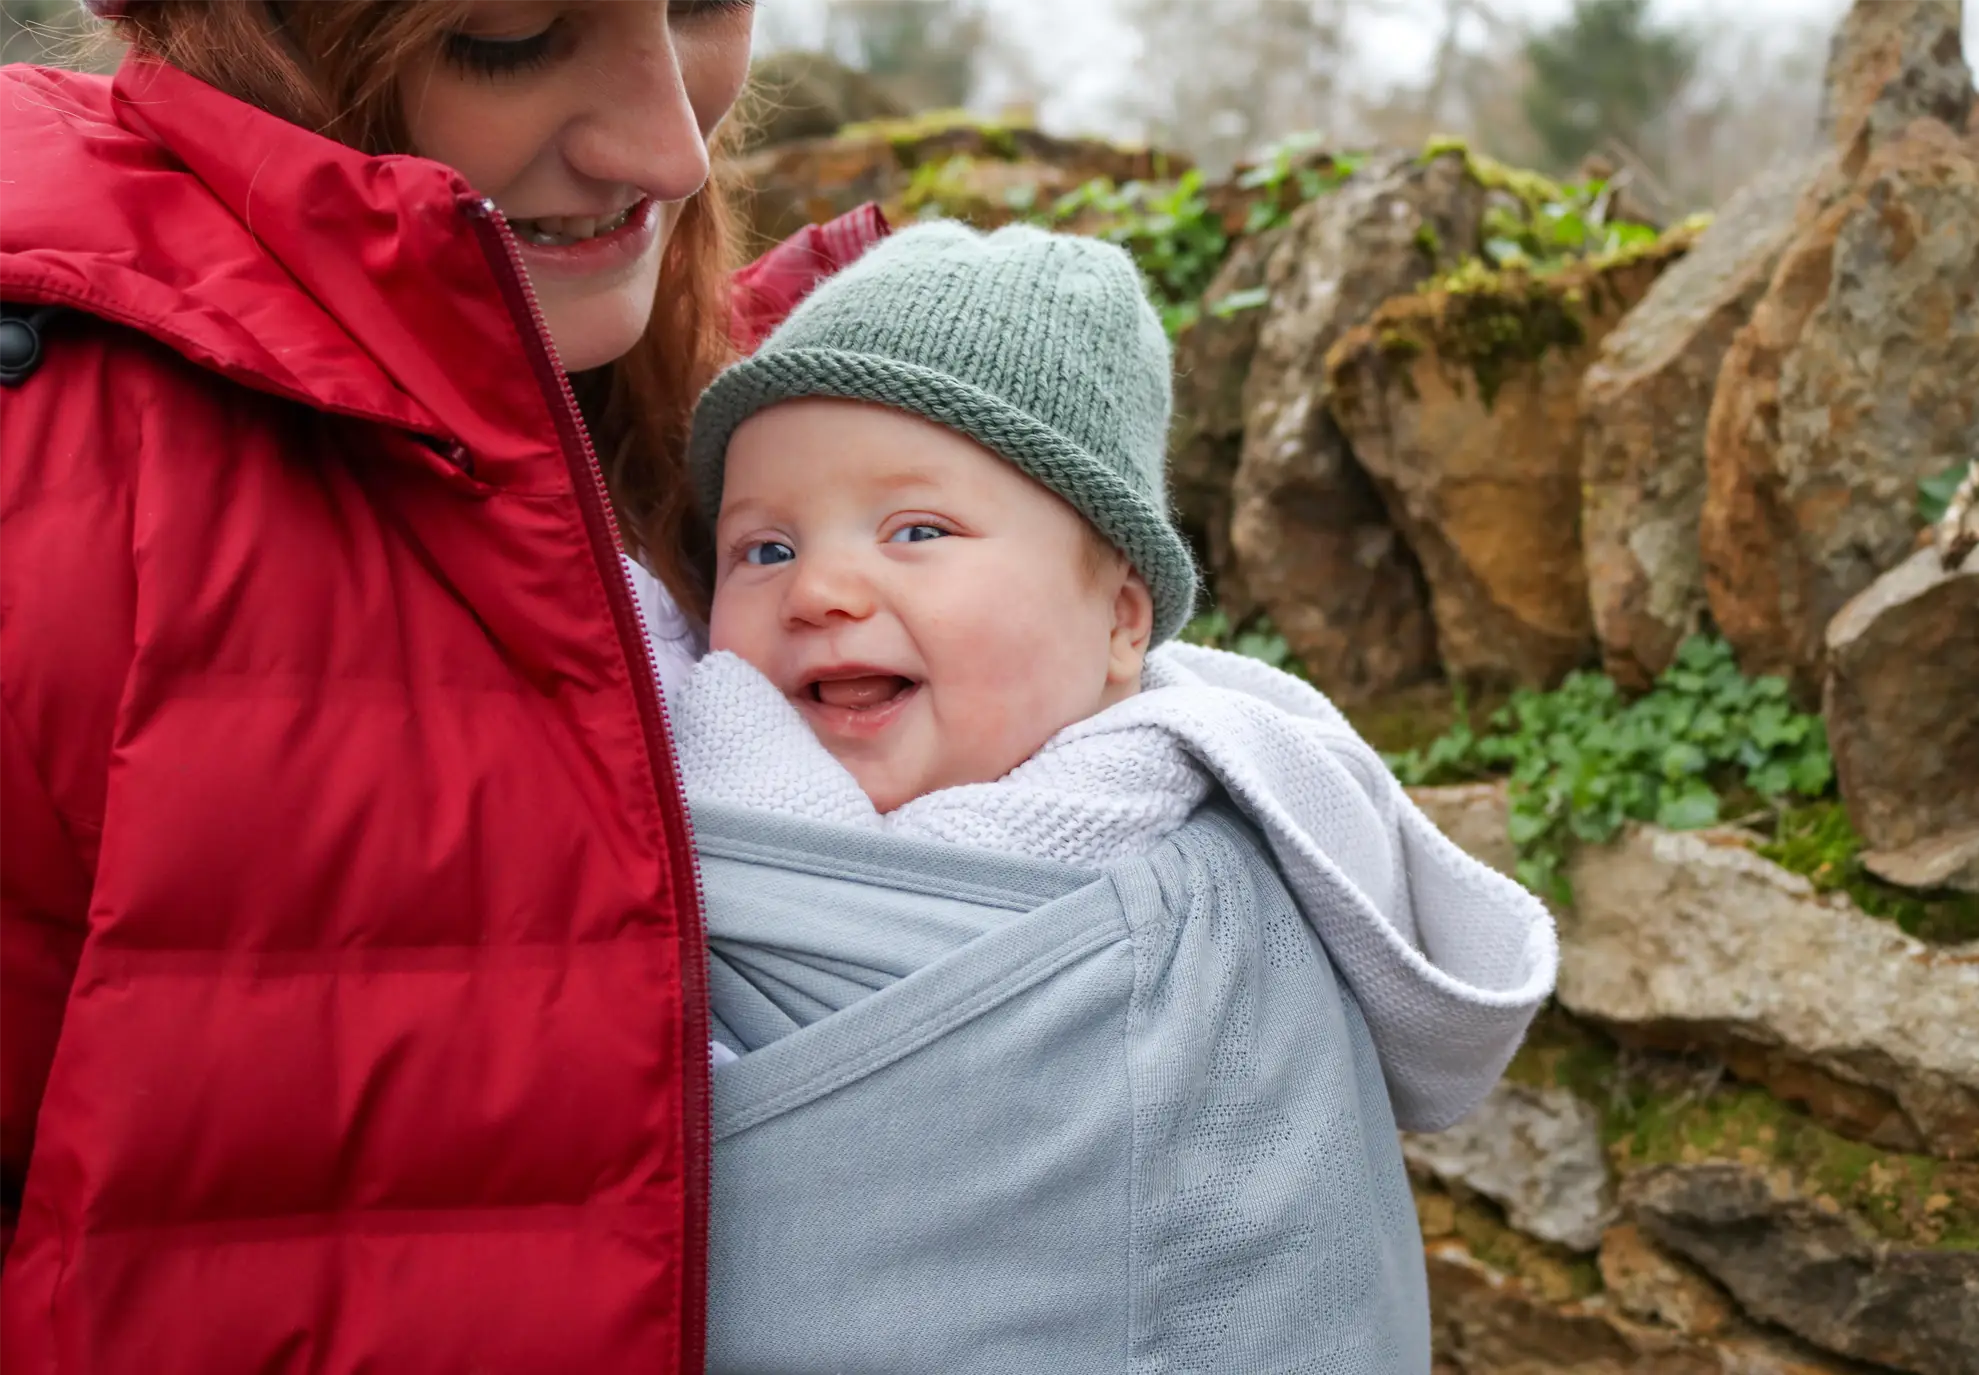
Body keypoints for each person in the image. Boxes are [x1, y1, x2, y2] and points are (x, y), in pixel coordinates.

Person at [0, 0, 884, 1368]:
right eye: (513, 37)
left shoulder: (768, 435)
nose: (671, 152)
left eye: (705, 4)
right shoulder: (46, 467)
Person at [664, 221, 1559, 1371]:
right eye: (764, 549)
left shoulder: (1213, 899)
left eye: (918, 530)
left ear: (1120, 623)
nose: (823, 589)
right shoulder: (681, 803)